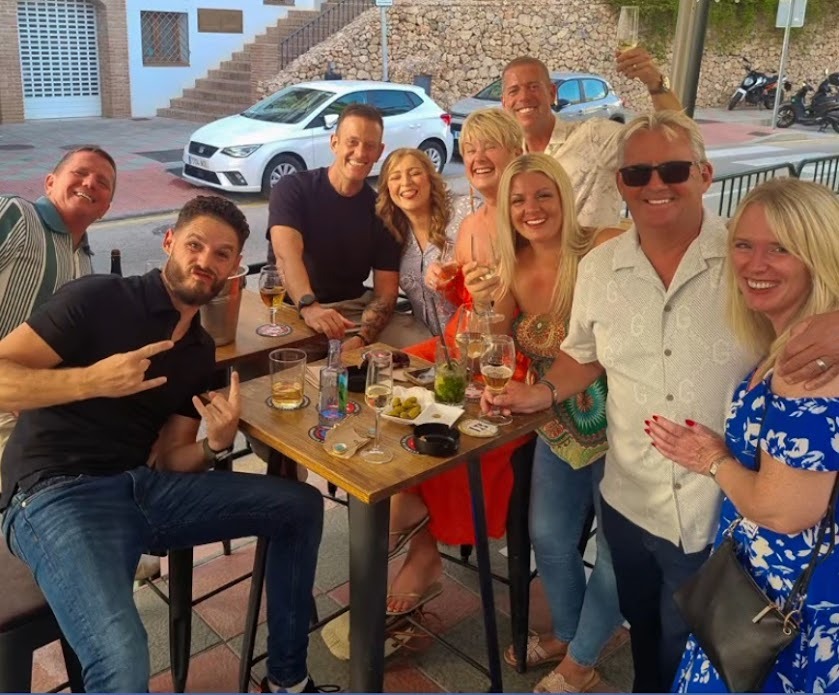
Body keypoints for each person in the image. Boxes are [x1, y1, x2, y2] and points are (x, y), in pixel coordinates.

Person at [482, 110, 839, 692]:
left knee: (710, 653)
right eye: (637, 173)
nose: (655, 184)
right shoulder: (599, 268)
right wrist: (539, 392)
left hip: (721, 517)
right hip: (629, 498)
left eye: (672, 169)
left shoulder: (752, 259)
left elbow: (823, 275)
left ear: (703, 172)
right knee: (650, 638)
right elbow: (585, 353)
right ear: (619, 184)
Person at [0, 195, 324, 694]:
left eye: (222, 254)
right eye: (195, 245)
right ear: (169, 242)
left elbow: (172, 458)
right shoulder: (100, 298)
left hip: (143, 489)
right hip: (53, 494)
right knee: (122, 657)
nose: (205, 262)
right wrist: (90, 381)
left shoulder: (197, 349)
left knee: (300, 505)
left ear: (235, 267)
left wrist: (215, 445)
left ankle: (286, 679)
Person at [645, 178, 839, 693]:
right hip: (762, 591)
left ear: (819, 256)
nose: (755, 264)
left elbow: (785, 510)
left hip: (780, 607)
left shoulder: (806, 356)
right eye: (743, 245)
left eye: (781, 249)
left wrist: (711, 459)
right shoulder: (795, 336)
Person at [467, 153, 624, 692]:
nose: (531, 209)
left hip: (627, 424)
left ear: (563, 196)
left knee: (618, 547)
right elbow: (490, 349)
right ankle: (572, 633)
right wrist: (481, 308)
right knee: (549, 535)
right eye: (518, 200)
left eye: (543, 195)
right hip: (557, 422)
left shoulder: (604, 245)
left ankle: (580, 661)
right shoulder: (511, 268)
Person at [385, 107, 527, 616]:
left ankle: (423, 540)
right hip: (463, 337)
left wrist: (489, 303)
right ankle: (407, 502)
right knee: (391, 373)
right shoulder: (471, 222)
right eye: (469, 149)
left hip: (515, 357)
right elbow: (468, 302)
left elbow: (525, 307)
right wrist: (454, 283)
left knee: (458, 424)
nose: (477, 157)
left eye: (489, 146)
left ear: (517, 150)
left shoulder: (531, 214)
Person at [268, 103, 427, 350]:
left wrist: (362, 338)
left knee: (421, 343)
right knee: (281, 365)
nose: (360, 153)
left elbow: (385, 293)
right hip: (294, 306)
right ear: (334, 143)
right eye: (352, 142)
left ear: (379, 152)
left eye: (370, 145)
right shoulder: (293, 188)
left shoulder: (382, 212)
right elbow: (286, 256)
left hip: (353, 311)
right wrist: (310, 307)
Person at [0, 145, 116, 458]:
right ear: (50, 182)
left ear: (105, 208)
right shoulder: (17, 216)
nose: (91, 183)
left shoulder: (83, 262)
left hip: (36, 405)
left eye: (103, 183)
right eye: (79, 173)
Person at [500, 49, 682, 228]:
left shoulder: (593, 137)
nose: (524, 96)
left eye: (533, 87)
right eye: (514, 91)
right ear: (504, 103)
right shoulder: (512, 158)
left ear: (551, 93)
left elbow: (673, 139)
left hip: (594, 256)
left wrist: (656, 83)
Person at [375, 147, 471, 336]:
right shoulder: (393, 233)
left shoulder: (465, 212)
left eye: (415, 173)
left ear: (430, 178)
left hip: (471, 339)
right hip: (425, 345)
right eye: (395, 177)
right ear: (387, 189)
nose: (406, 183)